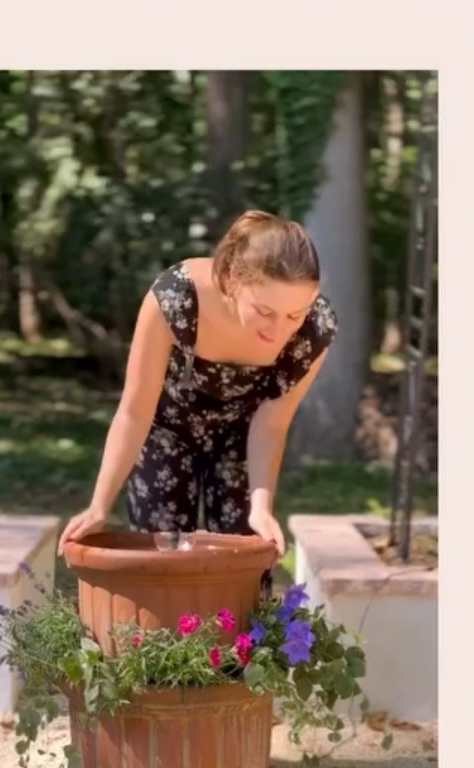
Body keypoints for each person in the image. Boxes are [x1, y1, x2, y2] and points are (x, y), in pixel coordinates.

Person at [58, 210, 338, 561]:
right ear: (232, 278)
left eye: (294, 315)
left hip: (244, 439)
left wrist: (261, 508)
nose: (279, 330)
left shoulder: (315, 328)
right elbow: (135, 410)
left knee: (244, 562)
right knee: (159, 561)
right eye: (265, 311)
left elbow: (272, 423)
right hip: (167, 430)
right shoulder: (176, 296)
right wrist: (99, 506)